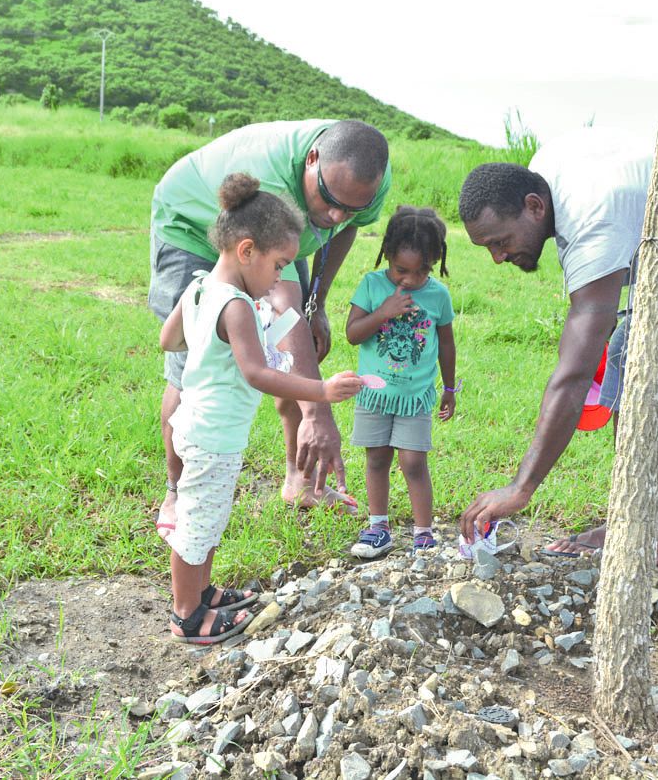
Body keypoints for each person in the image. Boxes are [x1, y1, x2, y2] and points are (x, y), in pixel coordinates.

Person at [457, 127, 658, 561]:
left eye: (501, 242)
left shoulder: (595, 216)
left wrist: (523, 487)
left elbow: (575, 372)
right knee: (647, 366)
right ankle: (647, 529)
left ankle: (642, 529)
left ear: (534, 206)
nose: (498, 257)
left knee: (635, 359)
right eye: (488, 247)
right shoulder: (543, 173)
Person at [149, 119, 391, 527]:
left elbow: (344, 229)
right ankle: (177, 493)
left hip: (279, 227)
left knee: (294, 347)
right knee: (189, 372)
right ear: (312, 161)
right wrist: (318, 411)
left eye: (353, 207)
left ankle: (299, 481)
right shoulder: (271, 180)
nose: (336, 215)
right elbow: (281, 307)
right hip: (190, 223)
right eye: (330, 198)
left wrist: (318, 303)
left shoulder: (363, 183)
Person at [159, 173, 363, 643]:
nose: (279, 279)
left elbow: (168, 339)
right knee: (197, 524)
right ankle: (187, 615)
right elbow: (256, 373)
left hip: (193, 424)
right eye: (279, 266)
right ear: (246, 251)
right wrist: (321, 391)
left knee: (206, 516)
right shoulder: (236, 306)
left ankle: (203, 592)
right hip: (214, 435)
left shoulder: (198, 288)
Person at [345, 206, 458, 558]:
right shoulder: (372, 285)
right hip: (375, 395)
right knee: (377, 458)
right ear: (388, 256)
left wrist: (450, 389)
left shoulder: (438, 295)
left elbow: (447, 344)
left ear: (435, 263)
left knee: (413, 461)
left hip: (414, 396)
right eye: (401, 270)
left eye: (422, 270)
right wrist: (384, 312)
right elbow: (352, 333)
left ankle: (424, 533)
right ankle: (378, 526)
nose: (410, 279)